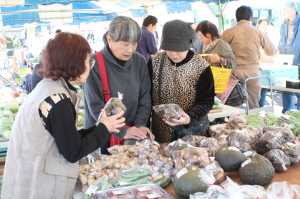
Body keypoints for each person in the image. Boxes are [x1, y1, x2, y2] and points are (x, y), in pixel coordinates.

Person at [2, 32, 126, 198]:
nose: (91, 66)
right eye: (88, 61)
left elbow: (67, 138)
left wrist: (98, 127)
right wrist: (104, 128)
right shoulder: (58, 100)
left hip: (29, 180)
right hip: (38, 188)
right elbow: (73, 151)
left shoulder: (49, 88)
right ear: (74, 64)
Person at [83, 16, 155, 154]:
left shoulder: (139, 61)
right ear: (109, 39)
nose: (130, 50)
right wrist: (123, 131)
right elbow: (95, 106)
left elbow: (145, 98)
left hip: (133, 135)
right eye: (125, 44)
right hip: (101, 136)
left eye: (134, 44)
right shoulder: (94, 63)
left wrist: (140, 125)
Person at [148, 19, 215, 143]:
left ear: (189, 45)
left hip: (190, 132)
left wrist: (190, 117)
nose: (173, 53)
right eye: (168, 49)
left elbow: (206, 100)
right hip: (160, 132)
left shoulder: (201, 66)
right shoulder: (154, 62)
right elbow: (145, 95)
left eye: (178, 49)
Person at [221, 5, 276, 109]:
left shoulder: (228, 32)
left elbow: (219, 50)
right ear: (251, 18)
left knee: (234, 104)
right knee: (253, 104)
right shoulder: (259, 32)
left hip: (234, 73)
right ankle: (252, 123)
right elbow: (271, 51)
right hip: (253, 73)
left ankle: (235, 122)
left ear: (237, 18)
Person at [279, 1, 300, 113]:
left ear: (292, 10)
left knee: (299, 89)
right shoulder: (283, 24)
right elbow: (282, 40)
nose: (282, 12)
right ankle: (287, 114)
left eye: (284, 10)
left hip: (298, 60)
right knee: (286, 88)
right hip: (286, 62)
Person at [256, 17, 278, 107]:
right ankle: (258, 107)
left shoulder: (268, 35)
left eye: (267, 24)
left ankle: (260, 107)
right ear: (258, 25)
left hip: (266, 66)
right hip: (258, 65)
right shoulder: (257, 34)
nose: (265, 26)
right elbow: (260, 52)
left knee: (264, 87)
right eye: (263, 24)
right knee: (259, 87)